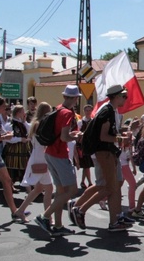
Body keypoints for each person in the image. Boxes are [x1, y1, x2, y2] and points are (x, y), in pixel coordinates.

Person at [69, 85, 132, 232]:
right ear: (116, 97)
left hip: (109, 151)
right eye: (124, 96)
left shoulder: (111, 110)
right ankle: (80, 209)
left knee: (115, 185)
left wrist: (120, 135)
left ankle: (116, 219)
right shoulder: (107, 111)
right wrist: (121, 139)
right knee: (109, 187)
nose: (125, 99)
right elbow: (103, 136)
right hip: (104, 152)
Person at [33, 86, 83, 234]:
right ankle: (45, 216)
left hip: (50, 152)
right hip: (59, 154)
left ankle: (58, 226)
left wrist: (71, 134)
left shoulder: (58, 109)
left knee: (61, 191)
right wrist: (77, 136)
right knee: (72, 190)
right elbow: (64, 137)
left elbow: (60, 133)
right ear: (75, 98)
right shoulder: (67, 113)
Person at [14, 103, 54, 223]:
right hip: (41, 157)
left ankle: (21, 211)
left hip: (38, 155)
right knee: (47, 188)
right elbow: (45, 141)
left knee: (40, 188)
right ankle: (47, 216)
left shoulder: (35, 123)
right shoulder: (39, 124)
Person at [3, 105, 31, 186]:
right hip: (14, 150)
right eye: (22, 111)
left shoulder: (22, 123)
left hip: (23, 150)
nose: (24, 113)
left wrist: (24, 121)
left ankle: (26, 186)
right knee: (12, 169)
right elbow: (8, 138)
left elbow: (30, 130)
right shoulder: (10, 124)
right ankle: (10, 186)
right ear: (18, 113)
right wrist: (20, 139)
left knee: (25, 168)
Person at [75, 104, 94, 188]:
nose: (88, 112)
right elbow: (77, 133)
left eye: (89, 110)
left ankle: (83, 182)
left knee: (86, 165)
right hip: (82, 146)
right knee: (86, 165)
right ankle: (90, 182)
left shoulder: (93, 121)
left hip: (90, 145)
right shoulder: (80, 122)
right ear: (84, 111)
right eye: (86, 110)